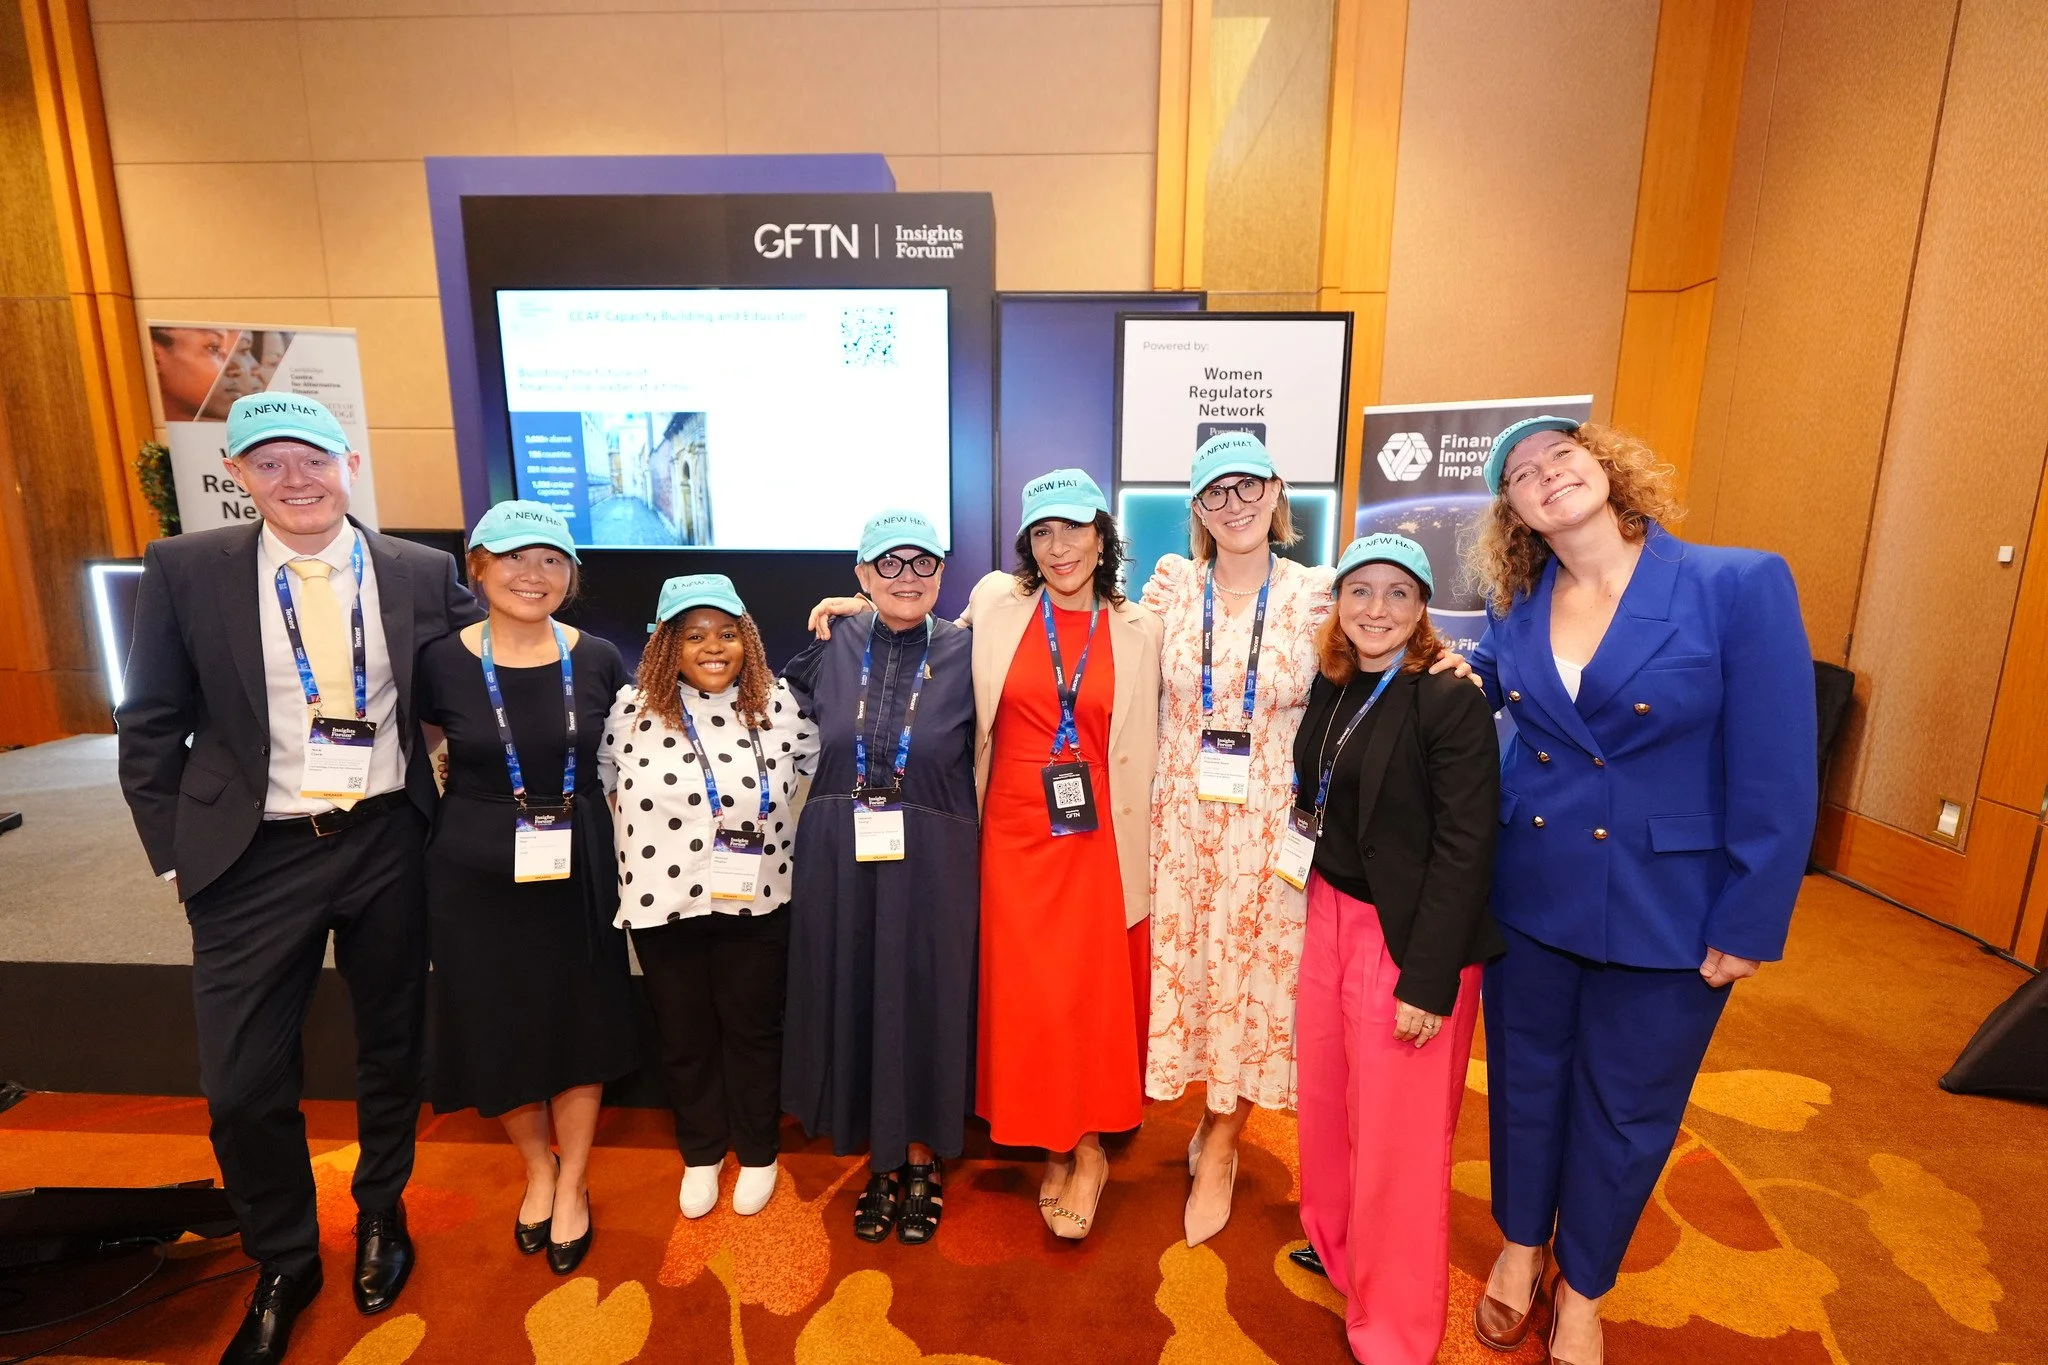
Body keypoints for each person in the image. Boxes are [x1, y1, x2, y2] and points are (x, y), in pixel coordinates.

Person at [116, 393, 482, 1365]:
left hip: (386, 841)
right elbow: (149, 720)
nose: (296, 481)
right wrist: (176, 851)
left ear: (349, 463)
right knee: (240, 1083)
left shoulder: (418, 569)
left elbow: (484, 675)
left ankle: (380, 1214)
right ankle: (283, 1254)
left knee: (391, 1048)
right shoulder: (187, 571)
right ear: (235, 475)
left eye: (312, 459)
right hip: (251, 853)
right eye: (268, 463)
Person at [1465, 416, 1816, 1364]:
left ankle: (1583, 1288)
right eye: (1524, 477)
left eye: (1560, 458)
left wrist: (1750, 917)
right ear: (1516, 513)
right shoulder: (1518, 607)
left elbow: (1779, 770)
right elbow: (1467, 685)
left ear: (1605, 467)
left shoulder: (1735, 584)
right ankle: (1518, 1247)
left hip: (1671, 909)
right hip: (1531, 895)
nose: (1547, 478)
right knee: (1526, 1087)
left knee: (1628, 1107)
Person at [1289, 534, 1502, 1364]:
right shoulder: (1334, 679)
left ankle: (1399, 1331)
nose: (1376, 610)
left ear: (1421, 610)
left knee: (1401, 1143)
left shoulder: (1447, 698)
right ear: (1338, 602)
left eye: (1397, 595)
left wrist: (1429, 977)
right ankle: (1344, 1252)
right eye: (1360, 592)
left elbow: (1467, 845)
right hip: (1328, 915)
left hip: (1409, 937)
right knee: (1333, 1107)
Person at [415, 501, 635, 1276]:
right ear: (476, 567)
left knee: (580, 1018)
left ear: (570, 575)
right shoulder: (440, 660)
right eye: (511, 558)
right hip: (473, 866)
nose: (531, 575)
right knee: (499, 1020)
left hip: (578, 861)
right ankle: (536, 1169)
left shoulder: (601, 656)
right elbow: (415, 758)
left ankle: (572, 1180)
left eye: (550, 560)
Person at [1143, 431, 1332, 1246]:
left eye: (1248, 486)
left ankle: (1223, 1140)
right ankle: (1204, 1111)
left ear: (1277, 490)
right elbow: (1072, 618)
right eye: (1215, 493)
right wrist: (874, 609)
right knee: (1192, 976)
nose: (1234, 504)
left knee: (1257, 984)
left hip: (1268, 831)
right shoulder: (1171, 587)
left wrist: (1453, 668)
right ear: (1196, 509)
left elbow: (1390, 653)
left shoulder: (1318, 592)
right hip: (1182, 825)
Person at [972, 470, 1162, 1239]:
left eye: (1075, 529)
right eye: (1043, 533)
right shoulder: (996, 605)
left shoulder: (1140, 627)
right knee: (1029, 994)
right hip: (1013, 830)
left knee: (1082, 994)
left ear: (1102, 536)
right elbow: (930, 635)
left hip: (1095, 835)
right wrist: (855, 605)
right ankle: (1053, 1136)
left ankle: (1083, 1148)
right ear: (1027, 545)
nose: (1060, 547)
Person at [781, 510, 978, 1246]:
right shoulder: (831, 646)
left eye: (922, 564)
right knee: (861, 991)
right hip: (843, 850)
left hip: (935, 854)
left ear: (941, 574)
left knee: (925, 995)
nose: (906, 578)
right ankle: (880, 1161)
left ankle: (923, 1159)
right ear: (861, 576)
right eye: (887, 565)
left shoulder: (967, 649)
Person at [600, 575, 819, 1221]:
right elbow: (604, 784)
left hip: (756, 898)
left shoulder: (779, 704)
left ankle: (756, 1150)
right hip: (663, 899)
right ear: (669, 645)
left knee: (753, 1029)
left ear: (746, 637)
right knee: (685, 1032)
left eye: (727, 632)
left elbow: (817, 766)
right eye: (694, 635)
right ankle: (700, 1150)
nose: (714, 647)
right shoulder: (631, 707)